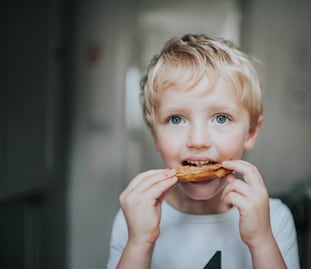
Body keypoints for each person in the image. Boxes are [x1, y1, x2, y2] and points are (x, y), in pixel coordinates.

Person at [107, 34, 300, 269]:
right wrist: (139, 242)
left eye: (221, 118)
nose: (198, 140)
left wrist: (261, 241)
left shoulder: (274, 219)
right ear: (154, 135)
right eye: (176, 119)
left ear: (250, 132)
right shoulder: (133, 218)